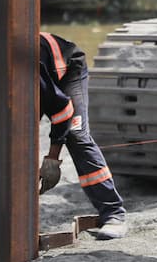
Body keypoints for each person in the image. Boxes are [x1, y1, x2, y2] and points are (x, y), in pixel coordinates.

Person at [38, 32, 127, 240]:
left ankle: (114, 213)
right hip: (45, 75)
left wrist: (52, 159)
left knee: (77, 136)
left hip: (69, 69)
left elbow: (63, 111)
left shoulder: (26, 72)